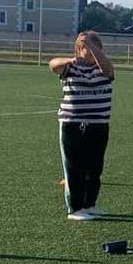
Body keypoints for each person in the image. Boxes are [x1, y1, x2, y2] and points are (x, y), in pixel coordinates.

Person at [49, 31, 115, 221]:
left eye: (96, 47)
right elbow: (53, 65)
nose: (92, 51)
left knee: (94, 168)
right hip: (73, 124)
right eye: (86, 47)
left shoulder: (104, 68)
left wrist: (91, 47)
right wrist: (70, 59)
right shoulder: (71, 67)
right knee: (74, 167)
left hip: (99, 124)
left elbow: (109, 69)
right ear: (78, 50)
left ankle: (89, 204)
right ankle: (75, 208)